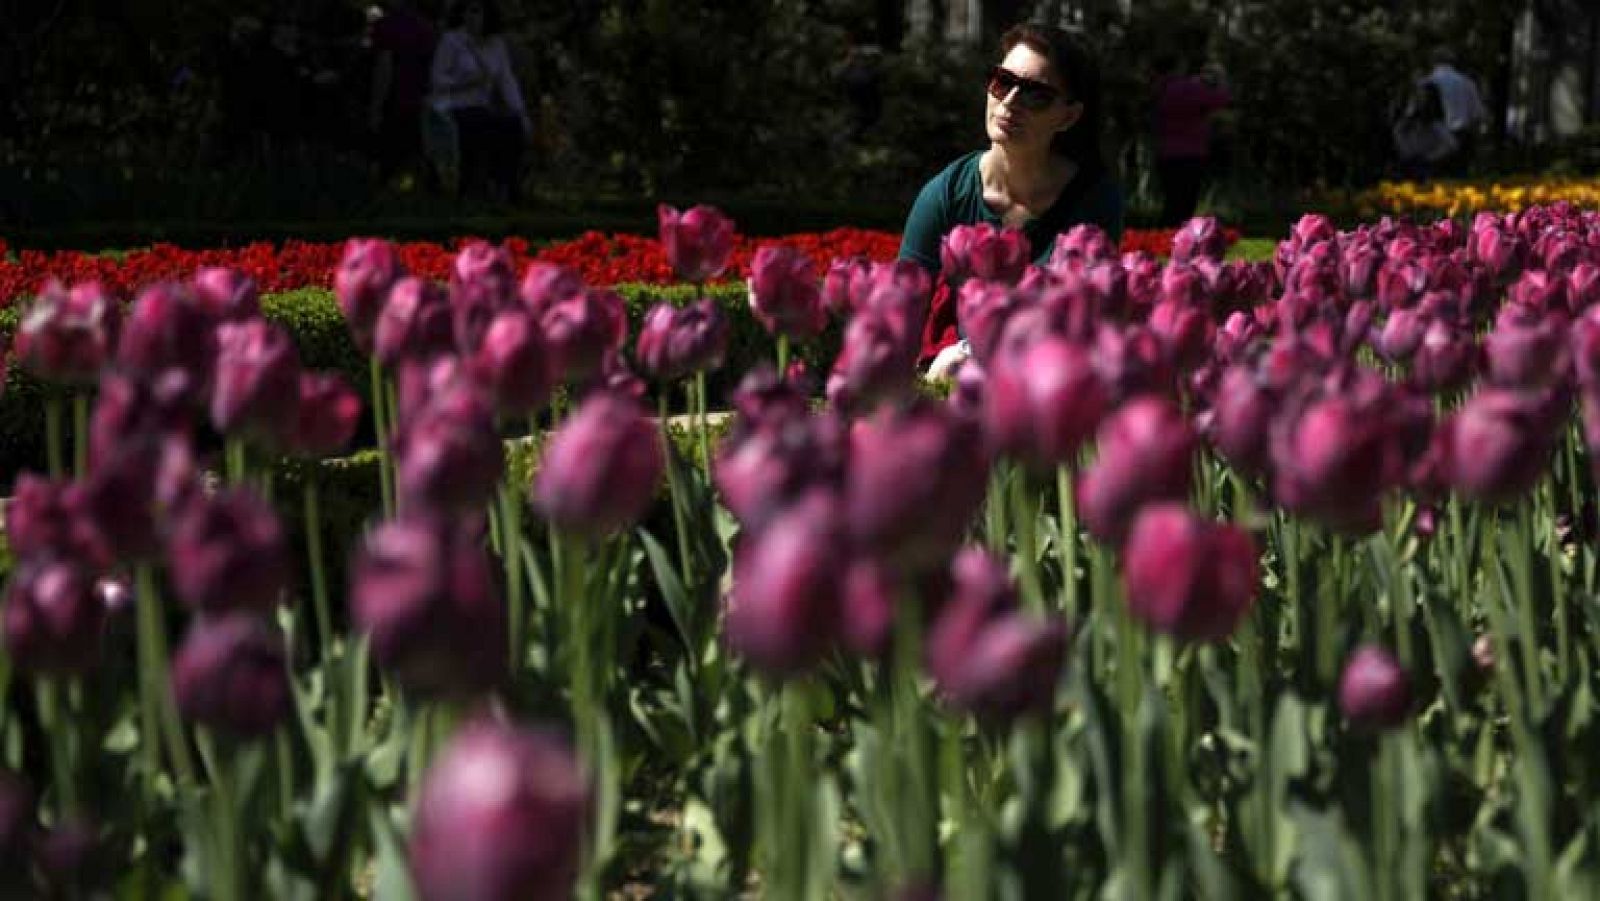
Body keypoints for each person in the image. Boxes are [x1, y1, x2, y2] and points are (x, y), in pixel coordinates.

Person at [899, 24, 1124, 376]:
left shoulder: (1095, 201)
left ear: (1069, 116)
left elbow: (1093, 324)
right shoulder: (944, 195)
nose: (1009, 101)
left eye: (1037, 94)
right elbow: (899, 318)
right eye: (1002, 81)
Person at [429, 0, 532, 202]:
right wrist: (465, 82)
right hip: (453, 106)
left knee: (511, 126)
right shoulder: (452, 41)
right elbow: (437, 79)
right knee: (476, 125)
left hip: (481, 107)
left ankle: (506, 188)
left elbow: (506, 80)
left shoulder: (496, 44)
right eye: (468, 11)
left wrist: (520, 112)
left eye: (477, 12)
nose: (471, 17)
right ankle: (468, 190)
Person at [1151, 53, 1231, 227]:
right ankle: (1176, 242)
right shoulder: (1186, 89)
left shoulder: (1161, 88)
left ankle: (1162, 240)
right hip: (1189, 154)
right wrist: (1221, 78)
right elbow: (1221, 99)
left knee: (1171, 202)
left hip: (1165, 153)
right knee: (1184, 205)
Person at [368, 0, 439, 186]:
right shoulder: (426, 27)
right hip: (420, 100)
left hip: (396, 100)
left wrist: (376, 106)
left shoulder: (386, 26)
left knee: (389, 159)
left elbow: (384, 67)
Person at [1420, 49, 1488, 176]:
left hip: (1435, 140)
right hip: (1462, 137)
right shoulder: (1467, 83)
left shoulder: (1426, 83)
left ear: (1433, 62)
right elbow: (1477, 115)